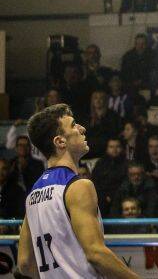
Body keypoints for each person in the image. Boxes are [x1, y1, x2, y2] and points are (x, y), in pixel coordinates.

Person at [16, 104, 138, 278]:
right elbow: (96, 254)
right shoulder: (79, 186)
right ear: (60, 141)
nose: (82, 128)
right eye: (73, 125)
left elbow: (25, 264)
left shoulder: (32, 195)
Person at [91, 138, 129, 216]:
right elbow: (95, 182)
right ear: (107, 149)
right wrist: (105, 195)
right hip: (102, 199)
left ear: (122, 148)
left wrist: (113, 195)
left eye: (117, 146)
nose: (114, 149)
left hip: (121, 198)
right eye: (111, 147)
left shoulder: (127, 165)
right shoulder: (100, 164)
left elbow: (126, 183)